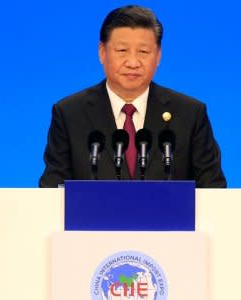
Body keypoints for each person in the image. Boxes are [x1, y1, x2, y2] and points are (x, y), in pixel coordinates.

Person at [39, 5, 226, 188]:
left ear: (158, 56)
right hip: (95, 220)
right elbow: (51, 192)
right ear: (102, 52)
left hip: (167, 220)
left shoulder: (190, 114)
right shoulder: (69, 114)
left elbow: (213, 190)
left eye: (144, 52)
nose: (133, 62)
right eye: (122, 51)